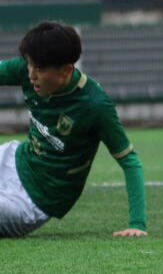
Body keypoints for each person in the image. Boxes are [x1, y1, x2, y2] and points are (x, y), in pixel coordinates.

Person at [0, 21, 147, 237]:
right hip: (13, 160)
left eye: (39, 69)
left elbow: (129, 161)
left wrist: (137, 224)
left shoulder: (95, 106)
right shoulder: (30, 68)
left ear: (66, 70)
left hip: (34, 200)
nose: (31, 75)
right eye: (29, 65)